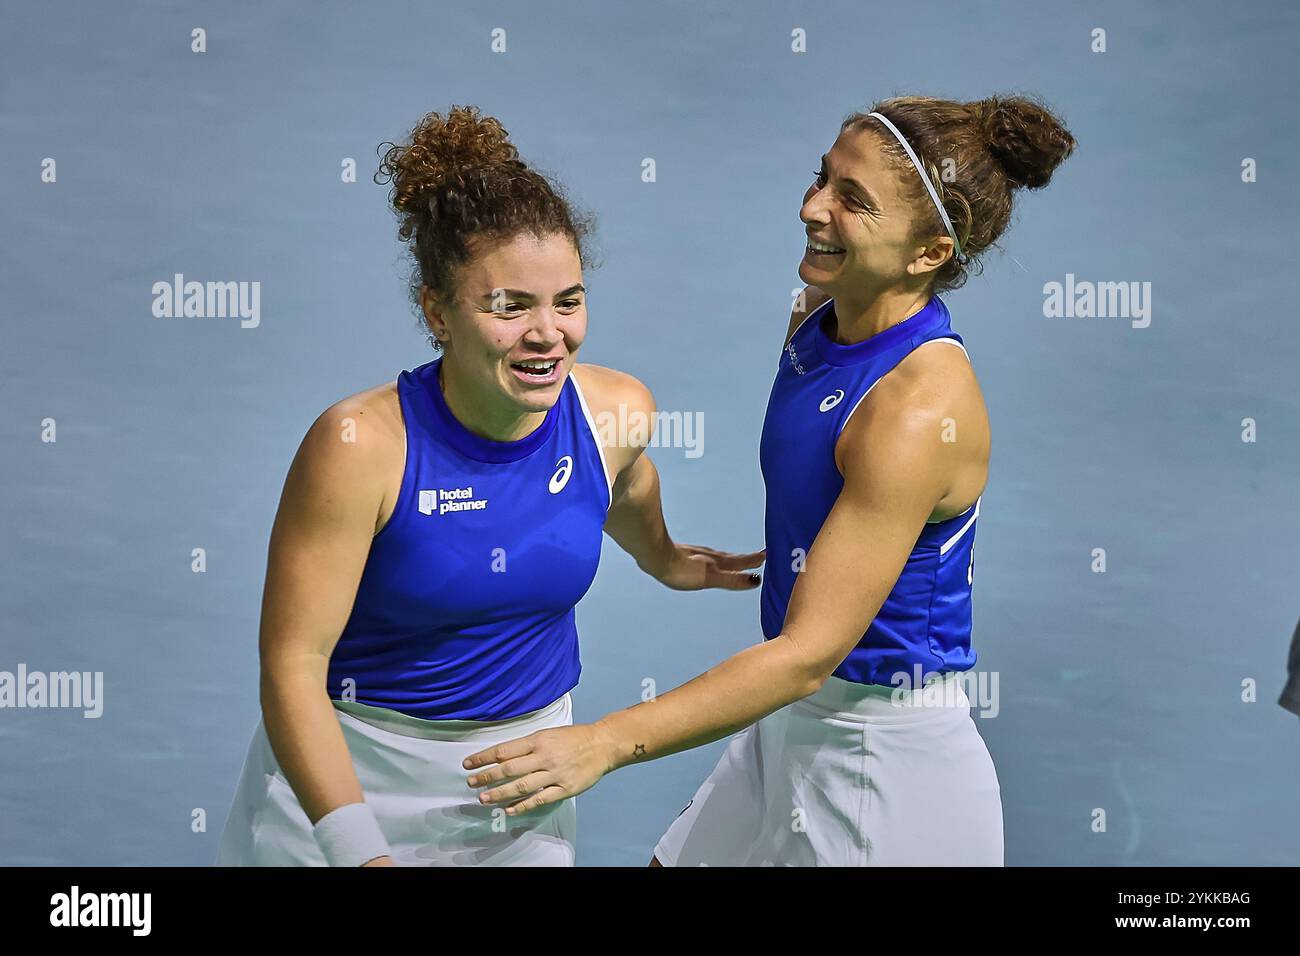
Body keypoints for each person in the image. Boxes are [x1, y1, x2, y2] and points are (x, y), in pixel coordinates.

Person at [464, 94, 1077, 866]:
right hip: (789, 720)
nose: (811, 207)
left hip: (880, 768)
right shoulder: (817, 316)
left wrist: (603, 743)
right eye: (822, 178)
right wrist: (663, 554)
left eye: (852, 201)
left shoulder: (916, 410)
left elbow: (807, 653)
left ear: (929, 255)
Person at [215, 105, 762, 867]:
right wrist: (357, 850)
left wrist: (667, 561)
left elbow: (625, 490)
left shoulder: (615, 412)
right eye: (509, 307)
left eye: (567, 301)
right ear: (437, 311)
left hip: (523, 786)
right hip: (348, 780)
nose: (548, 334)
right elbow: (293, 666)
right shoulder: (359, 448)